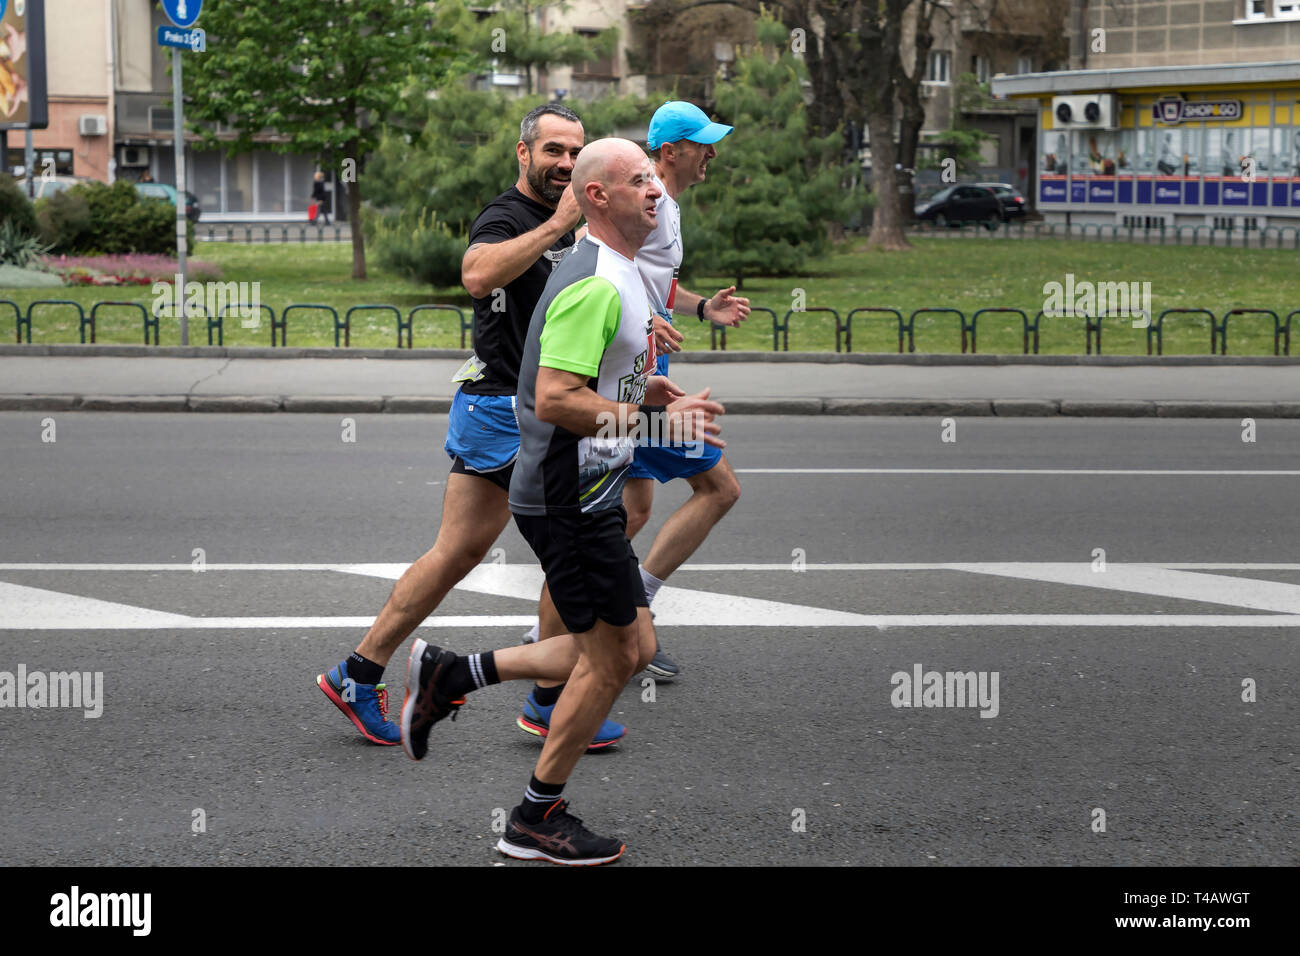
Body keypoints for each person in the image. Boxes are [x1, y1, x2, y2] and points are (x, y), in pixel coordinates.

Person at [402, 137, 726, 864]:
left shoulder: (619, 271)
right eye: (637, 180)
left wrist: (646, 389)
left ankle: (456, 673)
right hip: (567, 498)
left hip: (591, 487)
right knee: (613, 660)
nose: (654, 190)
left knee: (629, 648)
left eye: (654, 177)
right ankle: (532, 820)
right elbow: (552, 398)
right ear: (597, 197)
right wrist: (654, 420)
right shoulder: (596, 283)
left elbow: (602, 374)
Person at [315, 104, 631, 752]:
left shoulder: (565, 222)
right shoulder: (509, 217)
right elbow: (478, 273)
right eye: (552, 151)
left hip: (513, 411)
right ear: (523, 154)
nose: (565, 163)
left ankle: (360, 671)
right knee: (565, 546)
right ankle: (548, 699)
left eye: (575, 151)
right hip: (504, 411)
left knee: (461, 553)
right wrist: (557, 227)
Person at [523, 102, 748, 682]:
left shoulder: (654, 209)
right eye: (702, 143)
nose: (712, 153)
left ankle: (593, 635)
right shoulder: (633, 211)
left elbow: (648, 280)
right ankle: (574, 642)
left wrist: (695, 307)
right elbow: (592, 261)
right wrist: (638, 330)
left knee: (632, 510)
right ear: (670, 149)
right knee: (713, 489)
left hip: (640, 367)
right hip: (619, 375)